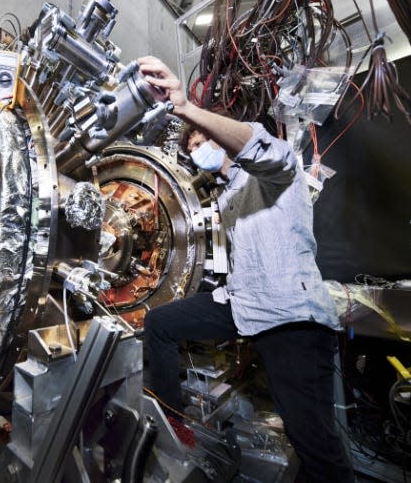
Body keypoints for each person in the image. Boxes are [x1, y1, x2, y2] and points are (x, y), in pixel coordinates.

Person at [137, 56, 354, 483]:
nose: (197, 151)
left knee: (313, 442)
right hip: (245, 305)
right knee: (160, 323)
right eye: (192, 149)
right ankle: (174, 419)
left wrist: (185, 107)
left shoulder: (274, 170)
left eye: (200, 141)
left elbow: (258, 145)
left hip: (292, 318)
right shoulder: (227, 195)